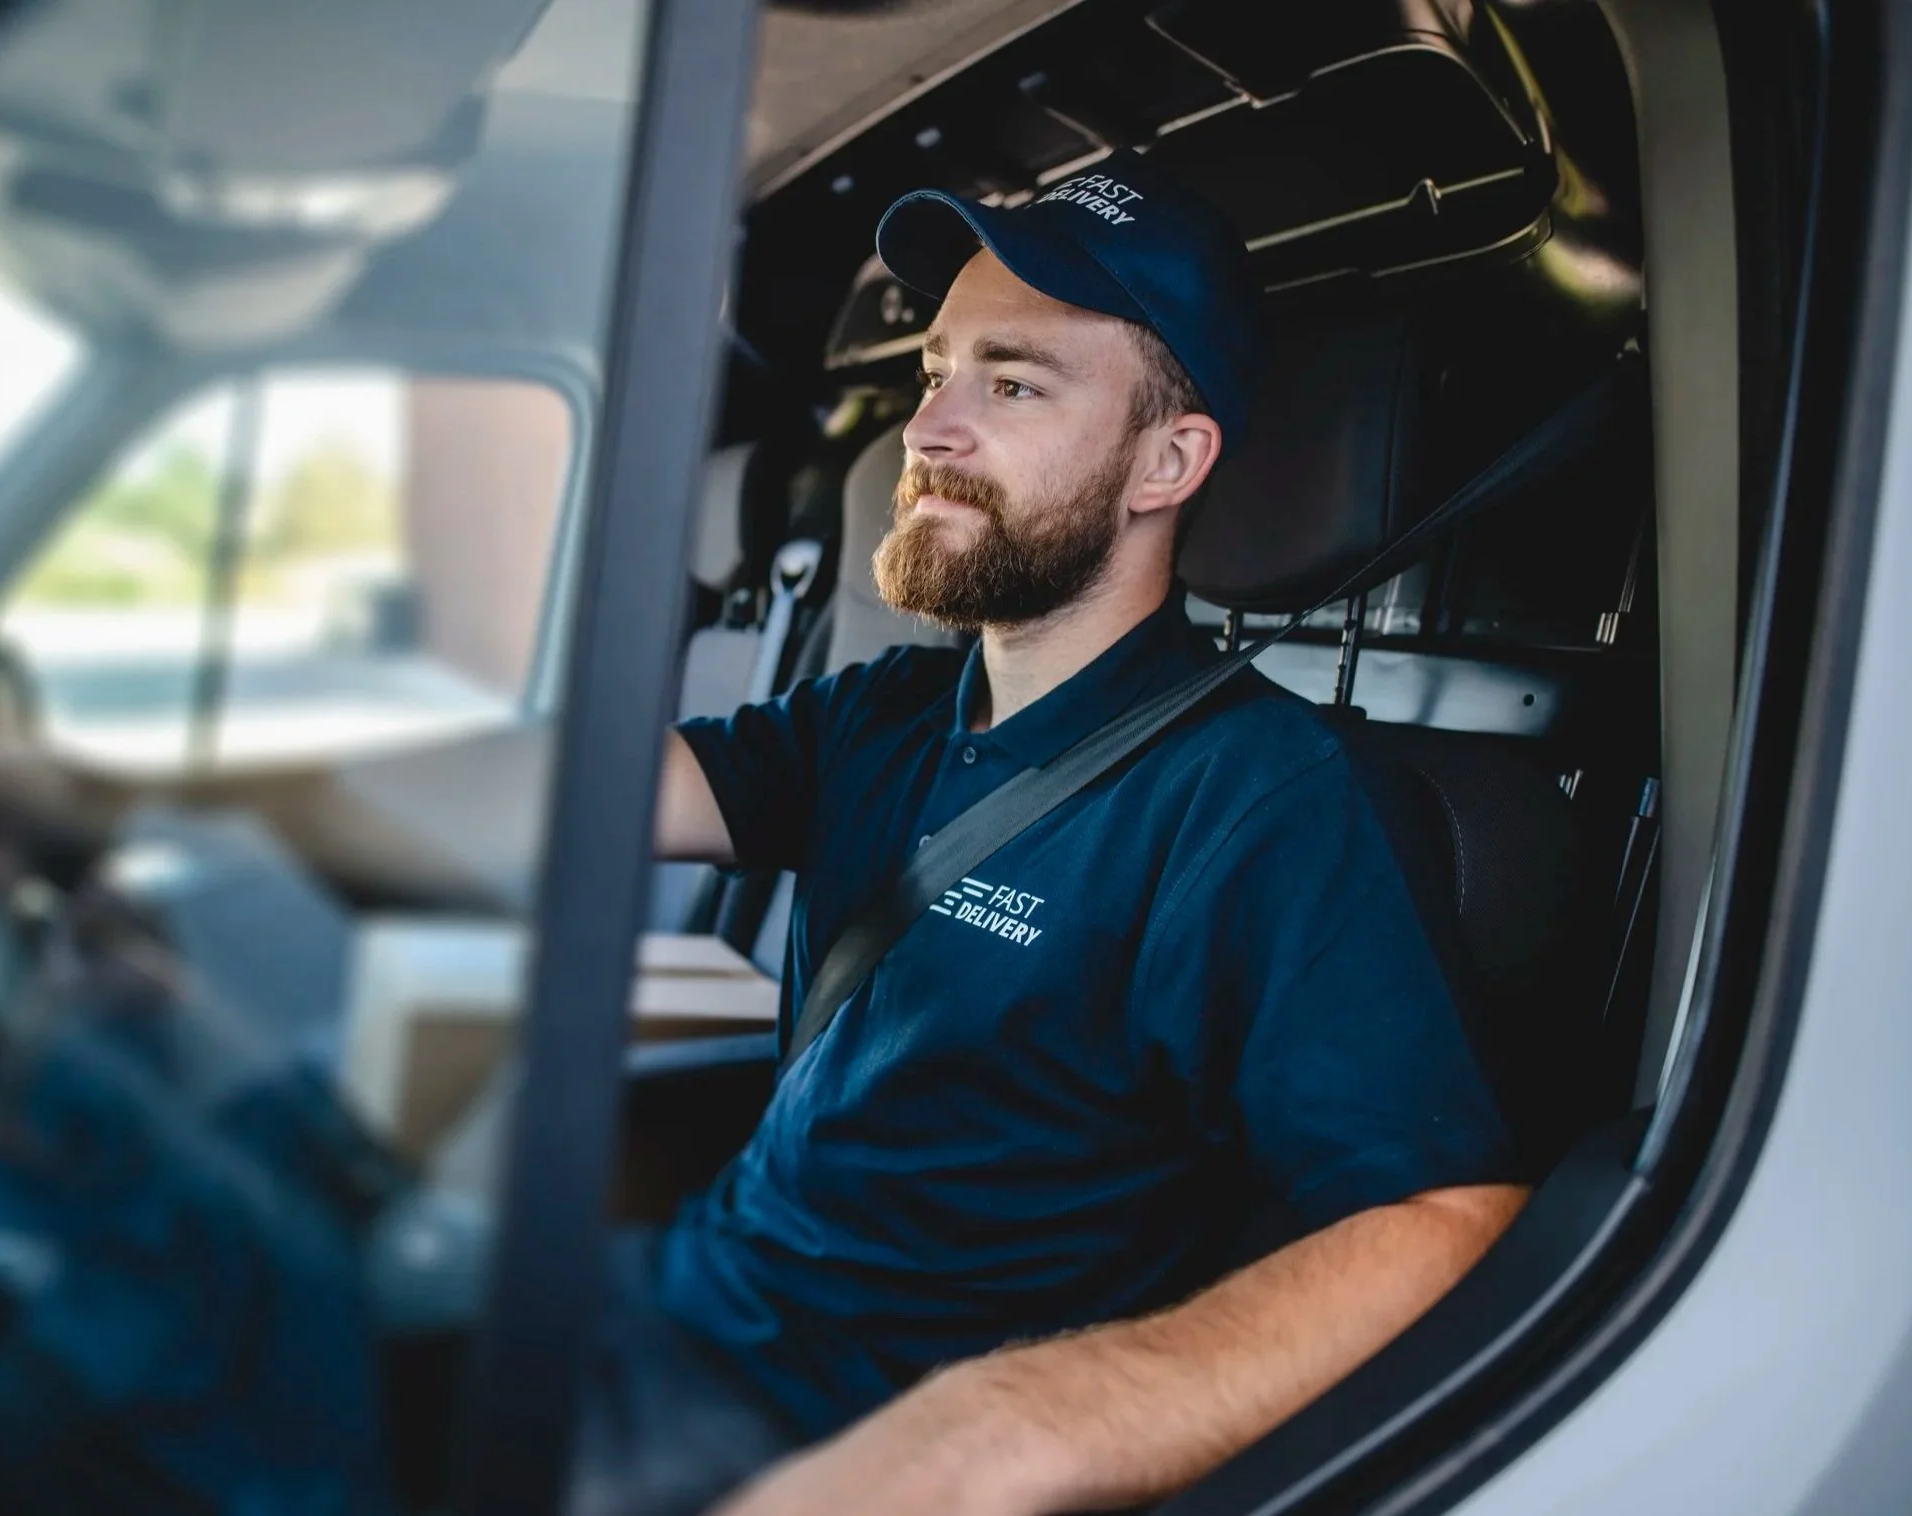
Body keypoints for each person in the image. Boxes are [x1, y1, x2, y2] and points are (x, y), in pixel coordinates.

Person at [566, 150, 1527, 1516]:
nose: (929, 431)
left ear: (1167, 461)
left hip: (832, 1439)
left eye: (1011, 384)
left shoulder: (1270, 798)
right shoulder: (892, 709)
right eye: (934, 374)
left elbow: (1443, 1221)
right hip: (664, 1312)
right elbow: (599, 792)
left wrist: (1006, 1428)